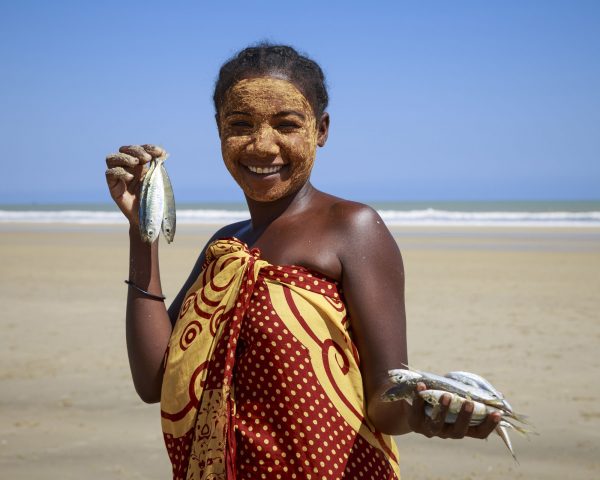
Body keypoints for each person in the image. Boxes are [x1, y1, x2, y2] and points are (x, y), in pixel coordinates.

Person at [105, 44, 500, 480]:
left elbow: (386, 398)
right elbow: (154, 380)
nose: (261, 145)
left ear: (322, 129)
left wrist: (425, 412)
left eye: (287, 125)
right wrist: (142, 230)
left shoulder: (353, 227)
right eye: (240, 125)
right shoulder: (225, 246)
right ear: (219, 130)